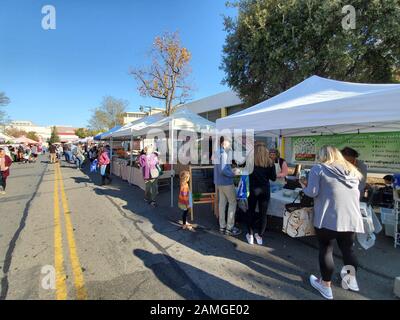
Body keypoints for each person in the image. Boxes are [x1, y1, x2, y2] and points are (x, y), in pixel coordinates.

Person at [300, 145, 364, 300]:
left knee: (326, 249)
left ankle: (326, 286)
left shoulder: (319, 168)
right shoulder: (352, 170)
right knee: (348, 250)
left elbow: (312, 192)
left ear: (323, 155)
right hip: (351, 218)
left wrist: (303, 186)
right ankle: (350, 280)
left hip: (327, 217)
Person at [246, 142, 277, 245]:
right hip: (265, 190)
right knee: (263, 214)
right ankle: (259, 236)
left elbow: (246, 174)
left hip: (253, 190)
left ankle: (250, 235)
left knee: (251, 211)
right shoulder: (270, 162)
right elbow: (273, 178)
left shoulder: (250, 162)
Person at [214, 136, 241, 237]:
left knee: (222, 204)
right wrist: (233, 173)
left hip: (219, 182)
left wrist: (230, 171)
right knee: (232, 203)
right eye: (229, 142)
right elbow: (223, 170)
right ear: (223, 143)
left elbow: (220, 169)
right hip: (226, 182)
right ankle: (229, 228)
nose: (230, 144)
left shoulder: (217, 153)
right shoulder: (223, 154)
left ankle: (222, 227)